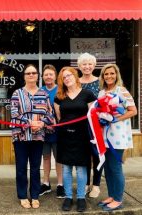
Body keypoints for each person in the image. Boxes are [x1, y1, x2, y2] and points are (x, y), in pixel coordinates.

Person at [10, 64, 54, 209]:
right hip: (20, 137)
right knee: (21, 167)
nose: (31, 75)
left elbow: (50, 115)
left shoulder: (44, 94)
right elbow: (14, 114)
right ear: (24, 76)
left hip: (38, 137)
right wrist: (30, 123)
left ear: (37, 76)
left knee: (35, 167)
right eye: (28, 73)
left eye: (34, 73)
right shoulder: (17, 93)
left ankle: (34, 195)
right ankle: (22, 196)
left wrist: (41, 123)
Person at [54, 67, 96, 212]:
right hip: (65, 137)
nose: (67, 78)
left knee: (80, 169)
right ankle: (67, 197)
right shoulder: (59, 97)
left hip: (83, 137)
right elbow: (60, 118)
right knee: (66, 169)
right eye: (63, 77)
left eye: (69, 75)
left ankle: (80, 198)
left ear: (75, 75)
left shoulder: (88, 94)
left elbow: (93, 117)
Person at [97, 64, 137, 212]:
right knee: (107, 168)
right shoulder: (101, 93)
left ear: (116, 74)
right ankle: (112, 195)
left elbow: (133, 111)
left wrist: (116, 119)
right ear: (103, 76)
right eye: (106, 74)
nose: (109, 76)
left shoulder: (122, 91)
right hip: (104, 136)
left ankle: (118, 199)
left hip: (118, 136)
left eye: (111, 73)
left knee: (115, 167)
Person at [77, 53, 102, 198]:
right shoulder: (76, 82)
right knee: (84, 155)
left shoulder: (100, 82)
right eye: (84, 64)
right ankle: (86, 183)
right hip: (80, 124)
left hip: (97, 124)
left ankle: (96, 185)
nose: (87, 66)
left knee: (97, 155)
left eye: (89, 64)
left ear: (94, 65)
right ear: (79, 66)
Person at [40, 64, 65, 198]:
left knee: (58, 157)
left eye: (51, 74)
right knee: (46, 157)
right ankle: (46, 183)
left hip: (58, 130)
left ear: (55, 76)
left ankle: (60, 184)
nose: (48, 77)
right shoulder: (40, 91)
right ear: (43, 77)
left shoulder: (61, 90)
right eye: (46, 74)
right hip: (44, 130)